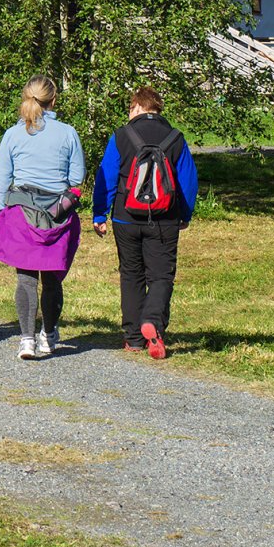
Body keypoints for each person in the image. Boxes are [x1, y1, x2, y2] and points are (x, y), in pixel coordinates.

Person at [0, 75, 85, 360]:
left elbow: (2, 179)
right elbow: (76, 178)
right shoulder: (67, 133)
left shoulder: (13, 134)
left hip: (21, 212)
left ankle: (26, 339)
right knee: (52, 280)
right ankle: (48, 335)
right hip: (57, 215)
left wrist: (2, 211)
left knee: (25, 279)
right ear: (54, 100)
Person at [92, 86, 198, 360]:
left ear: (137, 107)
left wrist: (99, 214)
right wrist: (184, 215)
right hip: (164, 218)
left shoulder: (121, 136)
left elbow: (107, 175)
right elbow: (188, 181)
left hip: (125, 217)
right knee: (161, 275)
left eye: (130, 108)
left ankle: (133, 338)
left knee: (131, 274)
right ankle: (152, 320)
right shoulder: (175, 137)